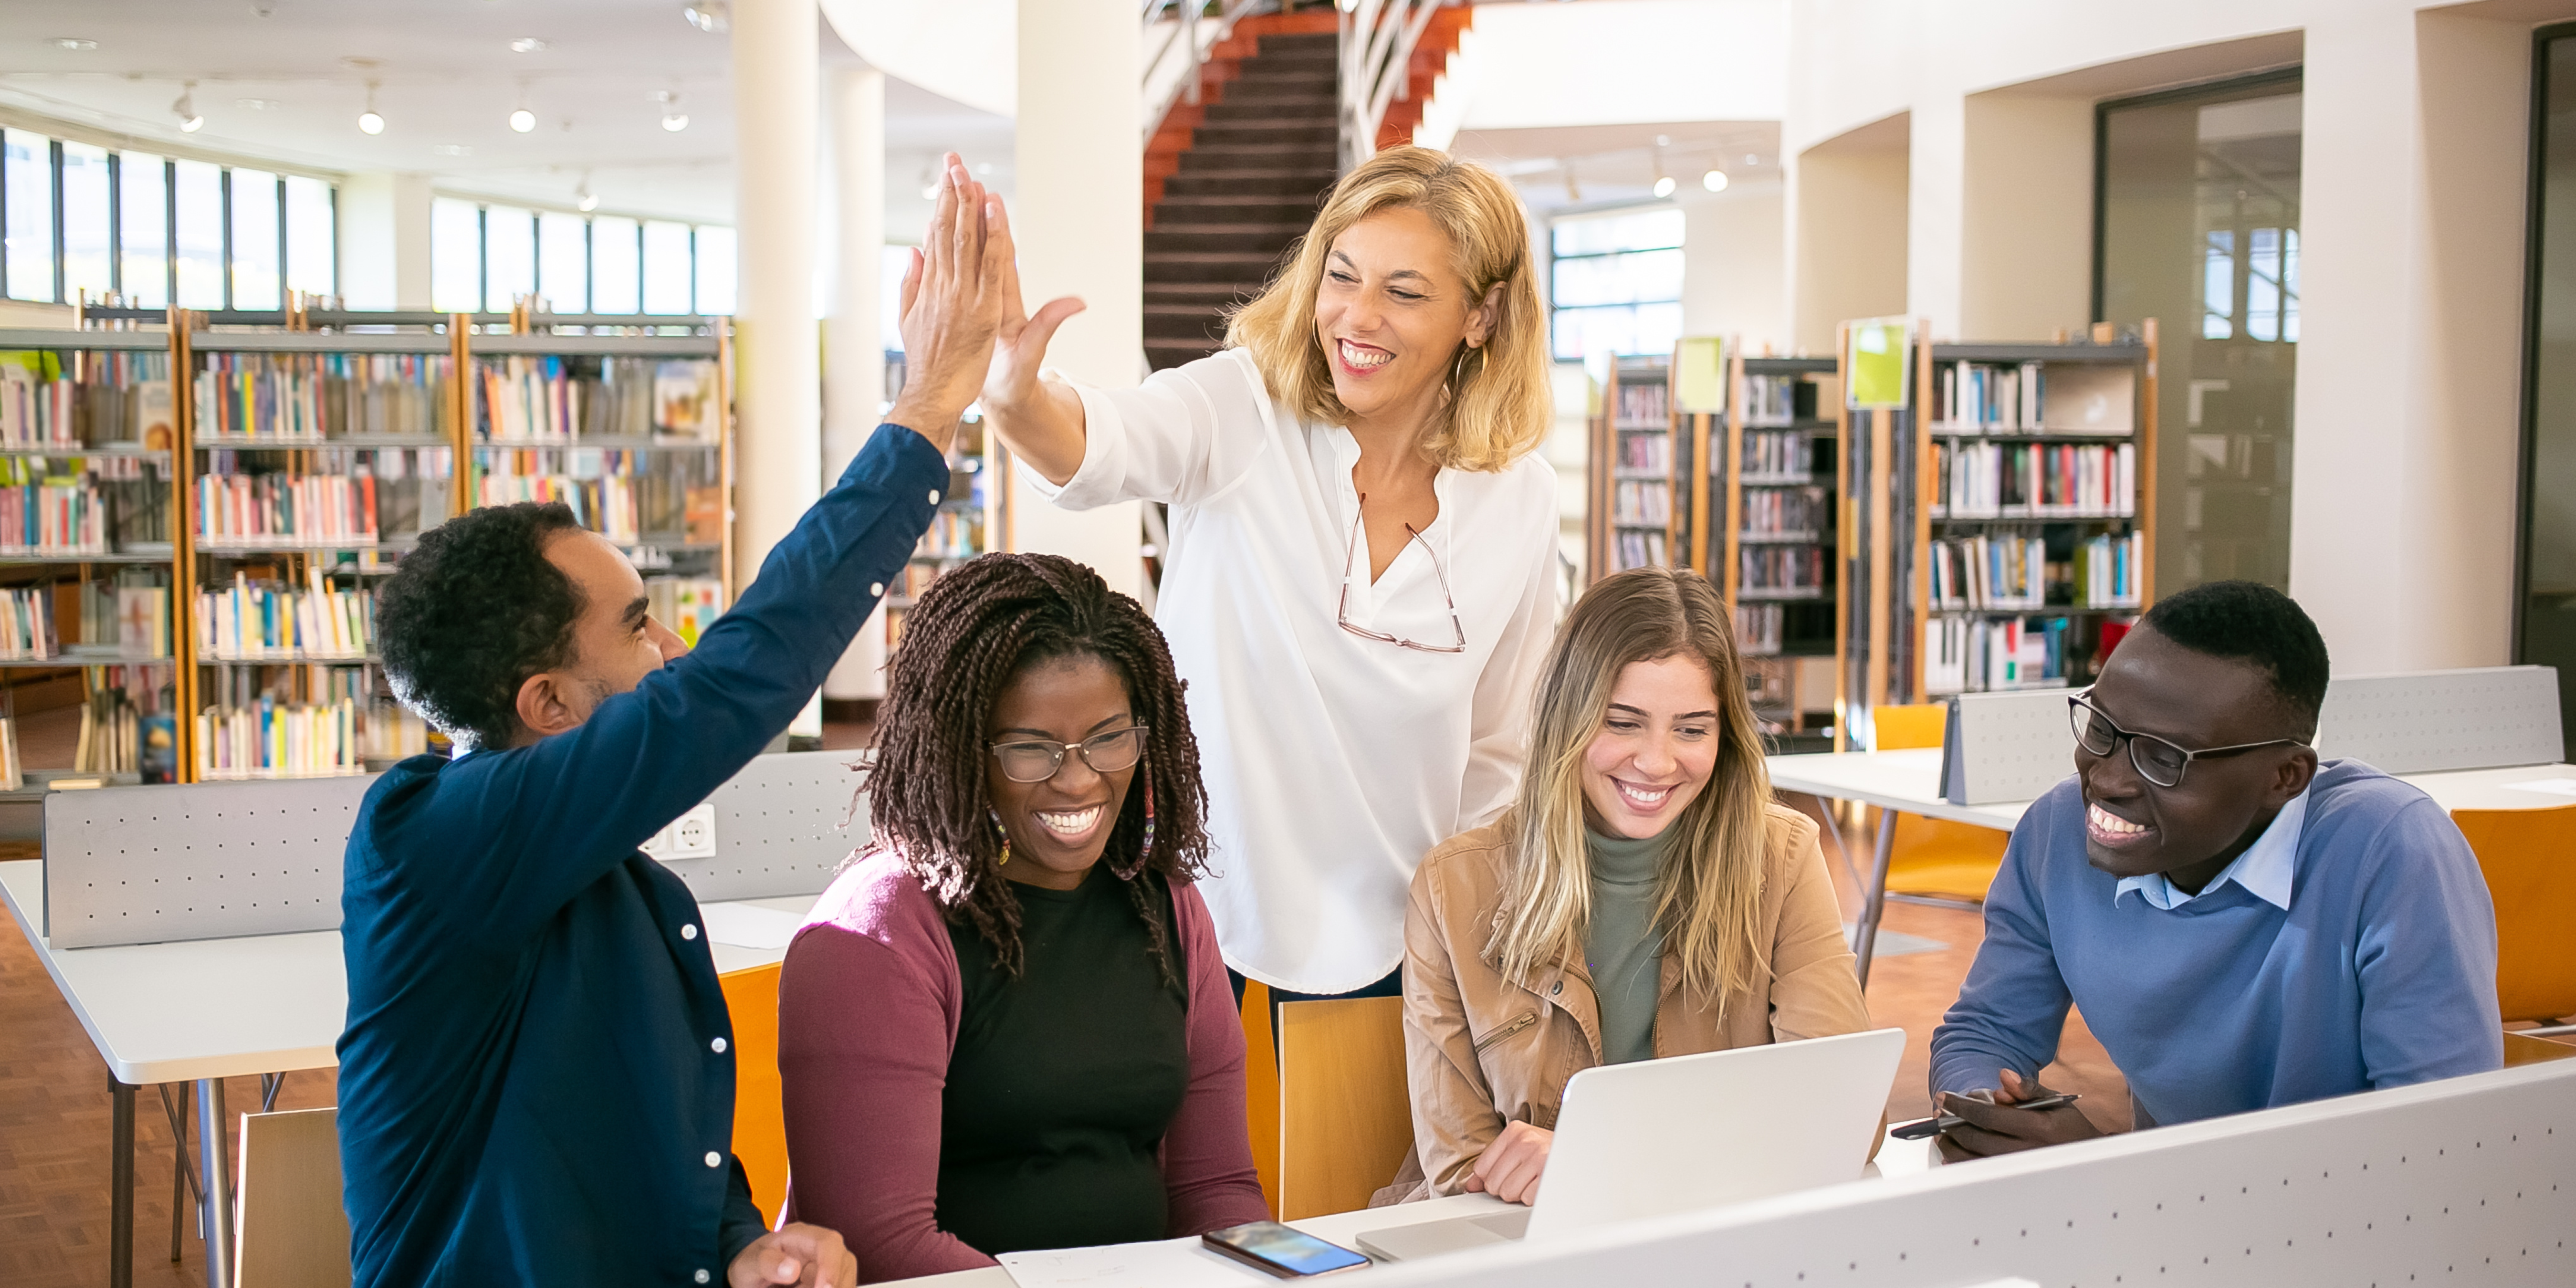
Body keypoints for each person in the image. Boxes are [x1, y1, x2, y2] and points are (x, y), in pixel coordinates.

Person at [335, 171, 1010, 1287]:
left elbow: (663, 1148)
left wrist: (742, 1247)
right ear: (545, 705)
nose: (675, 652)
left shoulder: (630, 890)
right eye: (642, 628)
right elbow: (734, 685)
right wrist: (929, 405)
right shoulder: (431, 840)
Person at [919, 145, 1561, 1004]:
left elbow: (1502, 750)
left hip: (1398, 939)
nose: (1357, 317)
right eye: (1341, 276)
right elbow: (1105, 442)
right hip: (1190, 910)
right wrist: (1013, 398)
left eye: (1404, 292)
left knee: (1360, 1147)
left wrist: (1473, 938)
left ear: (1481, 318)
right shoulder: (1247, 407)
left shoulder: (1518, 498)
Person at [775, 553, 1268, 1282]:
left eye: (1110, 738)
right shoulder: (877, 930)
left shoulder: (1166, 904)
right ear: (961, 748)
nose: (1078, 779)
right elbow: (881, 1242)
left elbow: (1215, 1189)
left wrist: (1269, 1272)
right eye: (1032, 749)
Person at [1928, 580, 2504, 1161]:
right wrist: (1986, 1107)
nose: (2107, 779)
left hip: (2353, 1234)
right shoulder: (2057, 831)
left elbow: (2437, 1148)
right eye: (2101, 729)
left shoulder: (2391, 850)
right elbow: (1986, 1032)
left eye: (2163, 758)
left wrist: (2102, 1167)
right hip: (2171, 1230)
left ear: (2286, 777)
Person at [1390, 566, 1874, 1205]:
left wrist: (1603, 1161)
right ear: (1571, 719)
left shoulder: (1781, 859)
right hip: (1519, 1247)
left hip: (1712, 1236)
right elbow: (1462, 1174)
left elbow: (1846, 1118)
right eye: (1622, 723)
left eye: (1693, 729)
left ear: (1725, 737)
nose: (1656, 761)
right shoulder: (1454, 888)